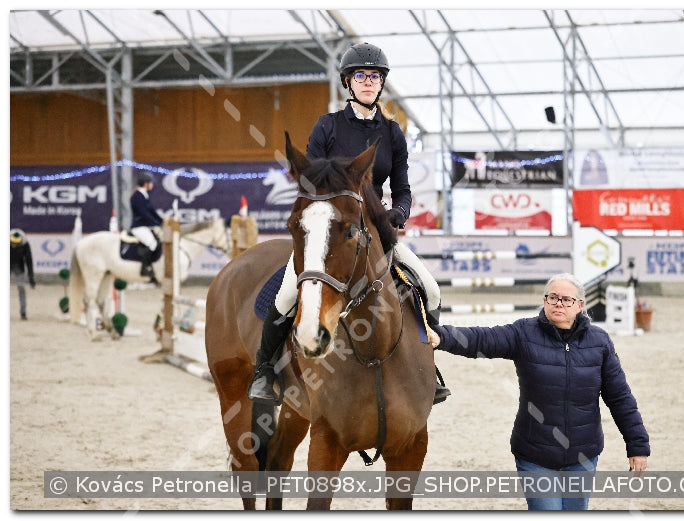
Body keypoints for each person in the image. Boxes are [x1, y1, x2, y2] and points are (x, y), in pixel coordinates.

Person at [248, 42, 450, 405]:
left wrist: (398, 213)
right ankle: (265, 370)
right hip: (330, 232)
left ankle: (428, 367)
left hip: (376, 230)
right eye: (361, 75)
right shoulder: (327, 126)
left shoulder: (393, 133)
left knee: (431, 289)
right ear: (348, 82)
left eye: (375, 76)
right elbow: (311, 182)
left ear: (382, 83)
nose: (368, 81)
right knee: (286, 294)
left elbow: (403, 189)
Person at [427, 273, 650, 510]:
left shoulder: (600, 342)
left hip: (583, 455)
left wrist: (637, 445)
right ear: (544, 301)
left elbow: (620, 397)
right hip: (535, 454)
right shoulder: (523, 333)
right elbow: (483, 339)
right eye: (553, 297)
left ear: (580, 305)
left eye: (566, 300)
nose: (559, 304)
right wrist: (442, 336)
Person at [130, 171, 164, 284]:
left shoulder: (144, 195)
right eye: (151, 183)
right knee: (152, 244)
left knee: (158, 241)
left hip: (145, 226)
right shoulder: (137, 196)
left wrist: (162, 222)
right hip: (138, 227)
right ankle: (145, 268)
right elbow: (144, 214)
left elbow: (152, 212)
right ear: (146, 183)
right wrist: (156, 223)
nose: (152, 185)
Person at [10, 229, 35, 320]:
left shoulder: (25, 245)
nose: (13, 246)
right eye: (12, 243)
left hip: (19, 266)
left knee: (21, 288)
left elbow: (29, 261)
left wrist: (31, 276)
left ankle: (23, 312)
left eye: (16, 244)